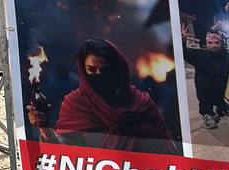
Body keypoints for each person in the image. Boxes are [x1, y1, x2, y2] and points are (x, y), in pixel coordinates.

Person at [27, 38, 178, 155]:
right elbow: (65, 156)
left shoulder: (140, 103)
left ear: (118, 70)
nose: (99, 75)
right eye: (92, 70)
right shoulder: (76, 103)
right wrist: (46, 129)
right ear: (84, 70)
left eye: (106, 70)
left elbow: (167, 155)